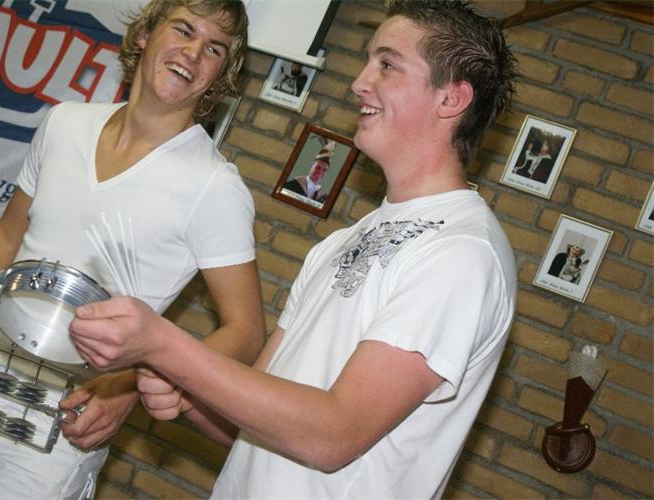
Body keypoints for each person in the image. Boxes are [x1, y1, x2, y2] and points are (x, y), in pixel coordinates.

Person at [68, 0, 518, 498]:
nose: (359, 82)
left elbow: (334, 434)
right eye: (369, 60)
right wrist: (187, 394)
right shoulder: (340, 242)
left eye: (387, 65)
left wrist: (164, 345)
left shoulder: (461, 253)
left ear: (452, 99)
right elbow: (247, 424)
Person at [0, 1, 264, 499]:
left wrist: (132, 386)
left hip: (59, 430)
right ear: (145, 34)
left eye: (214, 49)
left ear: (220, 75)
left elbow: (246, 331)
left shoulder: (215, 186)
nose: (193, 53)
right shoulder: (65, 123)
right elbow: (7, 239)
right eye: (183, 30)